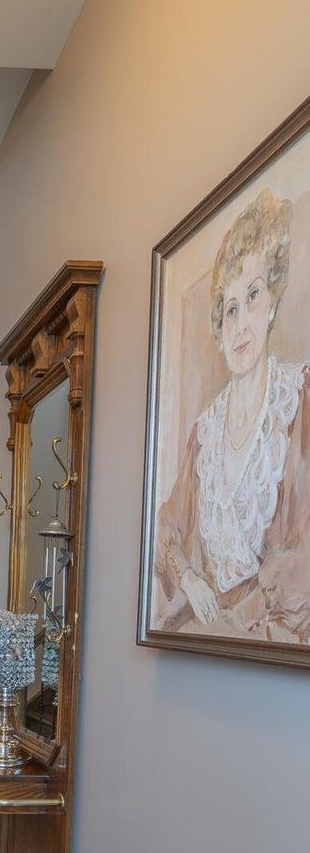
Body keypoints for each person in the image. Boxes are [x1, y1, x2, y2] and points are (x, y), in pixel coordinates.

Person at [155, 189, 310, 642]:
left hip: (270, 639)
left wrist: (232, 622)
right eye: (229, 309)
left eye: (253, 295)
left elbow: (301, 560)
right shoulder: (204, 432)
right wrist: (187, 577)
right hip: (210, 636)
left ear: (273, 306)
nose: (240, 323)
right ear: (218, 332)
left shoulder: (298, 400)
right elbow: (167, 525)